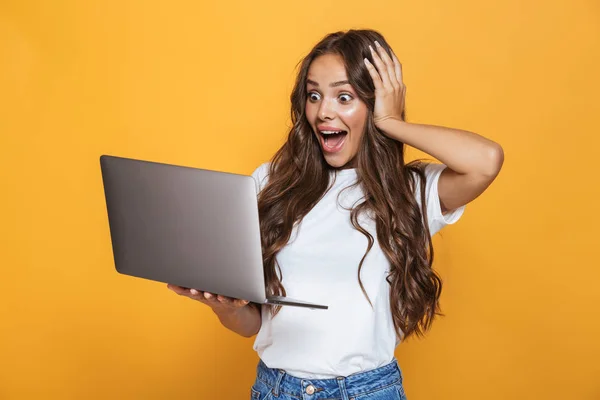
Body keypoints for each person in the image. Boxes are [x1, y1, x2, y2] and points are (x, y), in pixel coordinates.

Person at [167, 29, 503, 399]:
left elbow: (486, 162)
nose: (324, 111)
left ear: (374, 105)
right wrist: (223, 306)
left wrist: (392, 124)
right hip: (275, 389)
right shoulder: (270, 182)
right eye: (314, 96)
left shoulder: (409, 191)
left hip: (365, 392)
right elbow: (251, 325)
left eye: (344, 97)